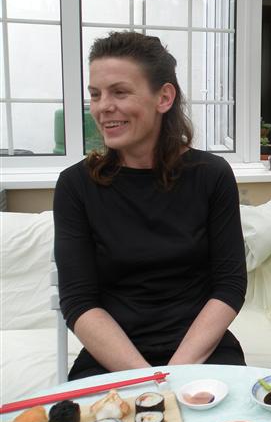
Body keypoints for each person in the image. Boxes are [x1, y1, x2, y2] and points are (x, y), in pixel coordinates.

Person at [54, 32, 246, 380]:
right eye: (95, 94)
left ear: (164, 97)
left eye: (119, 92)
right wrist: (147, 379)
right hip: (112, 357)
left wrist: (176, 373)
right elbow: (79, 301)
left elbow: (230, 285)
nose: (102, 107)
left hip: (201, 352)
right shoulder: (75, 187)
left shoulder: (212, 176)